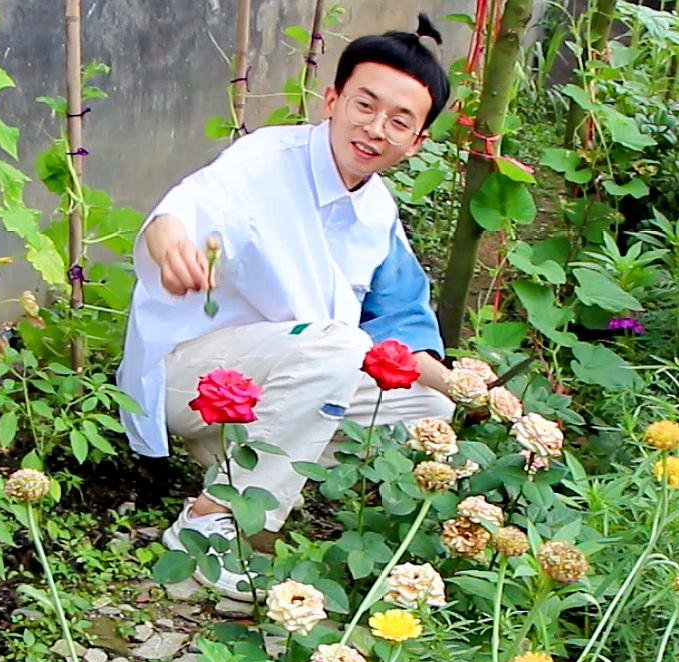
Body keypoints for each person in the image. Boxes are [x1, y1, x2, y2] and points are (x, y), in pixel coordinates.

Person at [116, 14, 456, 600]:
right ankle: (213, 520)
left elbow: (399, 330)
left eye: (399, 121)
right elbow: (186, 208)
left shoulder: (377, 212)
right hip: (192, 377)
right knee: (341, 347)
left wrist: (473, 391)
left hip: (292, 376)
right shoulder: (264, 162)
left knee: (426, 409)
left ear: (417, 141)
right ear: (333, 99)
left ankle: (240, 462)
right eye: (364, 105)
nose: (375, 129)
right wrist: (172, 244)